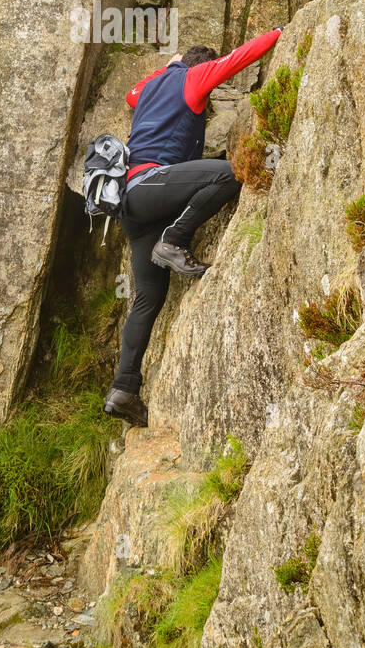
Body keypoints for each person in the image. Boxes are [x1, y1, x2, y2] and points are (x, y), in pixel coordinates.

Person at [103, 27, 282, 426]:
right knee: (228, 174)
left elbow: (132, 93)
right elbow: (237, 59)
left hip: (132, 205)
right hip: (152, 186)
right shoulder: (193, 78)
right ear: (200, 69)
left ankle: (124, 389)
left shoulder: (150, 88)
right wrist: (279, 32)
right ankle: (174, 240)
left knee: (148, 298)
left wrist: (166, 67)